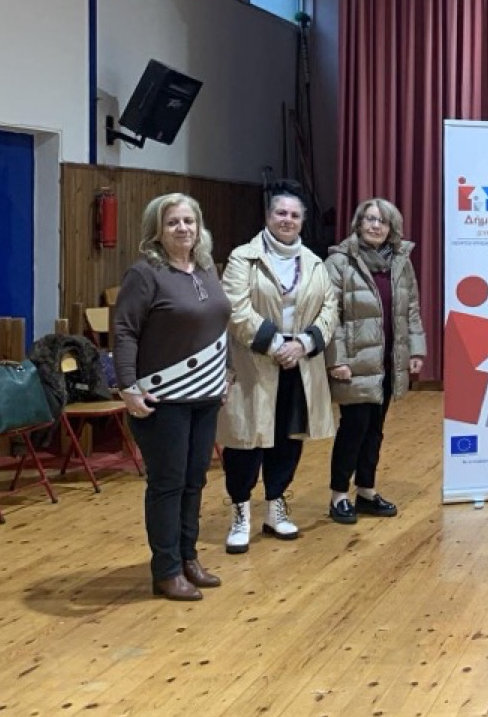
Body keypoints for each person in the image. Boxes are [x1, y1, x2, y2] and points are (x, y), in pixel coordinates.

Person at [113, 194, 231, 601]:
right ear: (157, 231)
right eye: (172, 222)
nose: (183, 228)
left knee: (195, 479)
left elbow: (218, 325)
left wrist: (225, 373)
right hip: (162, 397)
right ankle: (166, 570)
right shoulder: (145, 274)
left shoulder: (207, 269)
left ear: (199, 226)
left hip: (205, 394)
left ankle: (187, 558)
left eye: (188, 221)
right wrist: (127, 386)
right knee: (168, 483)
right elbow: (124, 331)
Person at [218, 181, 339, 552]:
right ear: (268, 217)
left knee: (288, 439)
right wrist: (275, 344)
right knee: (246, 440)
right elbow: (235, 308)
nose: (287, 220)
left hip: (298, 364)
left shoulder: (315, 263)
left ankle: (276, 507)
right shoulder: (243, 258)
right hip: (255, 363)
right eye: (281, 213)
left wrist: (303, 344)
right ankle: (240, 513)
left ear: (302, 221)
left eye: (294, 215)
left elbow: (330, 309)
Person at [324, 198, 427, 524]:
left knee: (375, 430)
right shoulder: (339, 262)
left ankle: (366, 491)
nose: (375, 225)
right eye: (369, 219)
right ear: (358, 223)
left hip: (387, 361)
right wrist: (336, 359)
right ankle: (339, 495)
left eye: (382, 221)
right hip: (354, 362)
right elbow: (330, 316)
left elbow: (411, 309)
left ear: (391, 228)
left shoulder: (401, 262)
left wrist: (415, 350)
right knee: (353, 429)